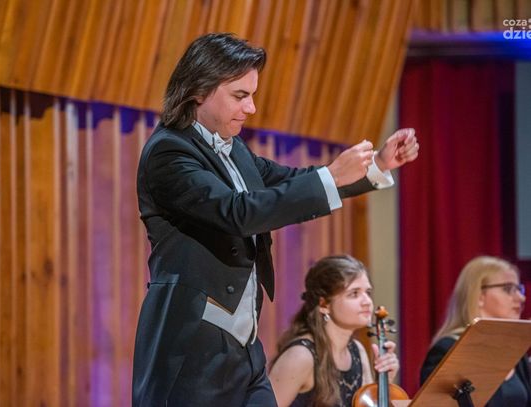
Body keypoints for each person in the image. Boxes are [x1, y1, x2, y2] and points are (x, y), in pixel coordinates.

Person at [132, 32, 419, 406]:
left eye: (252, 95)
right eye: (240, 95)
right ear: (199, 91)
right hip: (190, 348)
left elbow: (289, 182)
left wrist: (376, 166)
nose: (251, 108)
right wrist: (331, 175)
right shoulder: (169, 152)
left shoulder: (234, 149)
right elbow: (238, 212)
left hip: (243, 348)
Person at [269, 255, 400, 407]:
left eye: (368, 293)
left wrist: (384, 381)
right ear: (324, 305)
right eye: (354, 294)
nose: (367, 302)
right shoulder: (300, 356)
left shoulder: (357, 351)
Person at [420, 256, 531, 406]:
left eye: (519, 289)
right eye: (508, 289)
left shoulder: (515, 351)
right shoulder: (448, 349)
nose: (521, 298)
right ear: (479, 296)